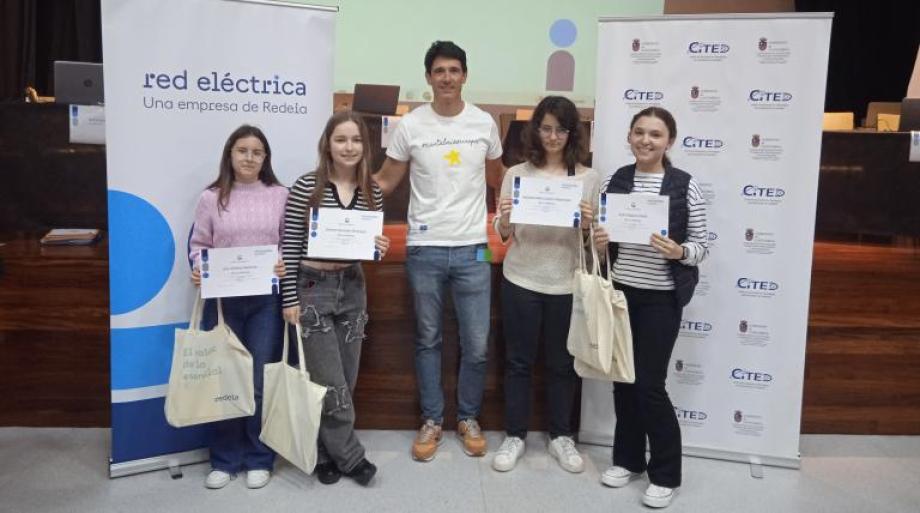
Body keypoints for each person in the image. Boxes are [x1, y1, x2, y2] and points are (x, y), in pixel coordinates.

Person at [374, 40, 503, 461]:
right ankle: (432, 419)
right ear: (428, 77)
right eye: (438, 71)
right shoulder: (410, 126)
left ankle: (467, 418)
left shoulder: (484, 123)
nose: (446, 77)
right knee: (427, 339)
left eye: (454, 70)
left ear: (465, 75)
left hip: (474, 251)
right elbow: (386, 182)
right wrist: (336, 186)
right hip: (424, 251)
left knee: (477, 343)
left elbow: (500, 180)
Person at [592, 106, 709, 509]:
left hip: (661, 298)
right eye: (639, 132)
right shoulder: (617, 180)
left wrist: (680, 251)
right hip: (622, 294)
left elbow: (702, 244)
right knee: (623, 381)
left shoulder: (684, 185)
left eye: (655, 134)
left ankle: (665, 473)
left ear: (669, 141)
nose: (645, 140)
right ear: (629, 136)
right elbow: (603, 237)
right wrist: (600, 241)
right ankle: (627, 459)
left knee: (649, 386)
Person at [491, 96, 600, 474]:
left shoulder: (588, 178)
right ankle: (515, 436)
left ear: (573, 134)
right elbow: (504, 234)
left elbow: (593, 244)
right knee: (518, 362)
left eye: (561, 129)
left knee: (561, 365)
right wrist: (503, 219)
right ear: (535, 130)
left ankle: (560, 436)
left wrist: (588, 226)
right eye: (546, 128)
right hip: (521, 278)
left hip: (566, 283)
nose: (553, 136)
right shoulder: (515, 174)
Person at [280, 111, 389, 486]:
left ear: (365, 146)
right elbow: (290, 245)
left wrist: (379, 247)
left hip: (352, 286)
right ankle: (350, 457)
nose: (349, 147)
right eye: (341, 139)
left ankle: (324, 453)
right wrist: (288, 298)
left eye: (356, 140)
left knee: (346, 377)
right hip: (312, 288)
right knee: (329, 380)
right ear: (327, 143)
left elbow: (368, 249)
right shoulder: (307, 186)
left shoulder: (372, 190)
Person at [189, 124, 289, 490]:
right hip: (222, 304)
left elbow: (285, 243)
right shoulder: (211, 198)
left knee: (259, 381)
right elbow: (199, 245)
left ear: (266, 159)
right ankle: (225, 460)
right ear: (230, 155)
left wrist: (280, 262)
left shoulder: (280, 195)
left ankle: (259, 457)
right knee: (225, 382)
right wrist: (200, 268)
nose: (249, 157)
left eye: (257, 152)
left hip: (265, 301)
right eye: (242, 150)